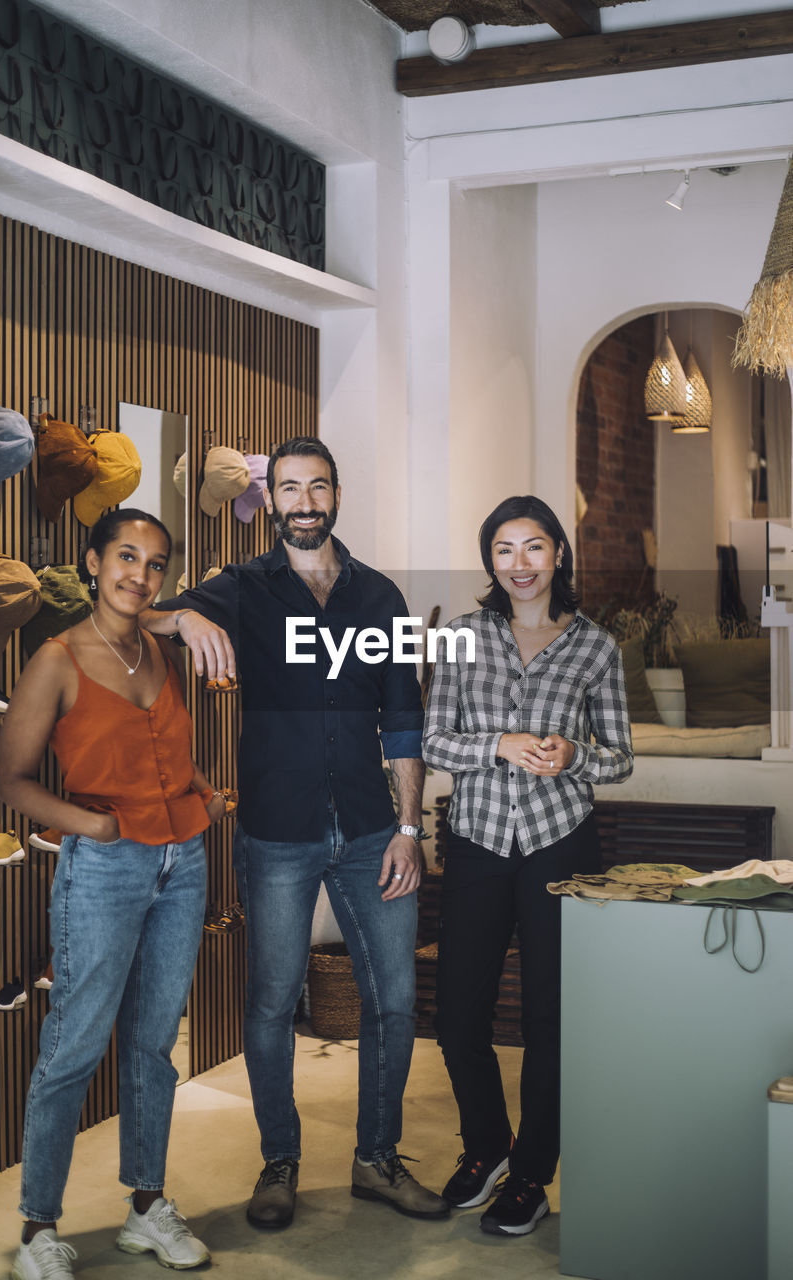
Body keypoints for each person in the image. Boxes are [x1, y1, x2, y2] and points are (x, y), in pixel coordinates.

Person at [143, 436, 448, 1228]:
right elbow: (137, 611)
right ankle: (278, 1161)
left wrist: (410, 828)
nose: (304, 502)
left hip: (373, 832)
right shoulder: (241, 588)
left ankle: (376, 1161)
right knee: (273, 1000)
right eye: (289, 489)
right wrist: (185, 621)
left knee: (395, 1000)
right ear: (271, 500)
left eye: (317, 487)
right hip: (277, 831)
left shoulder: (380, 598)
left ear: (336, 495)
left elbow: (404, 724)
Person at [0, 509, 227, 1280]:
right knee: (74, 1047)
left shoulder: (160, 651)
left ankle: (145, 1207)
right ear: (93, 561)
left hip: (181, 864)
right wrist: (88, 827)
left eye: (155, 563)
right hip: (105, 870)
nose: (140, 574)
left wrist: (202, 794)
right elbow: (12, 780)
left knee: (154, 1046)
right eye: (126, 556)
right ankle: (37, 1229)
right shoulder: (56, 660)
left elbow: (162, 750)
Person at [422, 494, 633, 1238]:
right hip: (478, 841)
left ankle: (533, 1173)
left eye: (533, 547)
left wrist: (575, 754)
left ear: (556, 556)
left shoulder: (595, 648)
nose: (519, 563)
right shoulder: (459, 639)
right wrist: (498, 746)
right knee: (456, 1015)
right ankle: (486, 1147)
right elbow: (432, 740)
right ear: (490, 561)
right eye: (504, 549)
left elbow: (620, 759)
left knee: (549, 1018)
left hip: (560, 841)